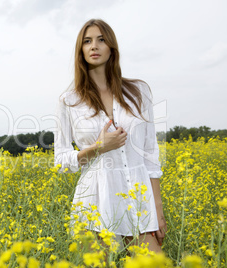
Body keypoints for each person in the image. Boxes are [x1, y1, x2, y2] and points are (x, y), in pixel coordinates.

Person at [54, 19, 167, 253]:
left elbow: (150, 155)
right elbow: (61, 161)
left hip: (139, 202)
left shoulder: (139, 91)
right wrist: (98, 147)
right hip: (94, 202)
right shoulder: (69, 101)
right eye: (87, 41)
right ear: (81, 50)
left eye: (101, 40)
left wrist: (157, 209)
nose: (94, 46)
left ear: (111, 47)